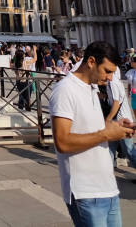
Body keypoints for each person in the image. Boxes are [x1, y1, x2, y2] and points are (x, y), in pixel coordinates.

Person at [49, 41, 135, 227]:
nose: (111, 78)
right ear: (91, 62)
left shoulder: (93, 88)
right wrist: (106, 135)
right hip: (85, 193)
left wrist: (115, 127)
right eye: (107, 71)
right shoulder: (65, 90)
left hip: (108, 189)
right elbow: (62, 142)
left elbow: (91, 129)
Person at [126, 55, 136, 120]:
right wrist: (128, 91)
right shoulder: (131, 71)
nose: (130, 62)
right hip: (133, 94)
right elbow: (129, 83)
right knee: (134, 108)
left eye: (132, 61)